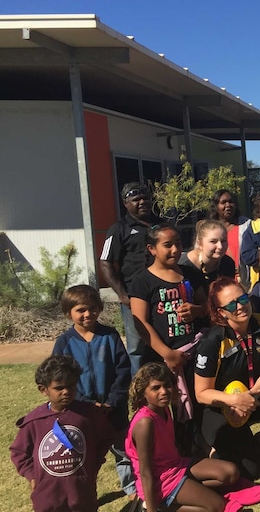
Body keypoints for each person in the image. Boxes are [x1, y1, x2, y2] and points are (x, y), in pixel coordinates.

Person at [195, 278, 260, 476]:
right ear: (220, 312)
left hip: (252, 396)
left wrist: (250, 396)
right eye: (231, 304)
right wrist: (234, 401)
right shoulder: (212, 341)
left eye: (243, 298)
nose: (240, 306)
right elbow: (201, 394)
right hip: (221, 407)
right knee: (250, 471)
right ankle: (207, 445)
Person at [52, 285, 134, 498]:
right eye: (81, 310)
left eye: (92, 308)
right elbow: (60, 378)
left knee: (123, 450)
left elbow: (123, 370)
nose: (87, 314)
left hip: (113, 410)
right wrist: (86, 403)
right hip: (81, 413)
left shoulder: (110, 336)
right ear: (68, 313)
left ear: (99, 308)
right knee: (83, 453)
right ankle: (84, 492)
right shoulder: (64, 343)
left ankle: (131, 487)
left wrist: (113, 400)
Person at [128, 363, 239, 511]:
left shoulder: (164, 409)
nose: (164, 391)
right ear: (143, 392)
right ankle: (156, 506)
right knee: (216, 507)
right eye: (156, 388)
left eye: (167, 386)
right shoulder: (145, 423)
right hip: (160, 480)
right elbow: (146, 472)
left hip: (176, 465)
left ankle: (182, 495)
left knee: (231, 473)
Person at [11, 355, 114, 512]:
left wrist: (94, 463)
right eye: (59, 388)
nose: (66, 392)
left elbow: (105, 437)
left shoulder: (88, 415)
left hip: (81, 494)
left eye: (71, 386)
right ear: (43, 390)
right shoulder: (34, 421)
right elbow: (19, 452)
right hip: (48, 497)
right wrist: (32, 476)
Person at [129, 223, 207, 427]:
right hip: (160, 358)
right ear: (152, 249)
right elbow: (141, 322)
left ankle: (193, 445)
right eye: (168, 245)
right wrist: (167, 353)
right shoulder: (142, 281)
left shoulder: (190, 274)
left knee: (194, 406)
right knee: (163, 408)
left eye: (179, 243)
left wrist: (197, 310)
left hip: (192, 355)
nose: (175, 250)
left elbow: (208, 305)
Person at [100, 181, 161, 376]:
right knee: (137, 348)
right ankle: (139, 391)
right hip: (134, 298)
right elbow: (105, 262)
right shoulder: (118, 229)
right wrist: (122, 295)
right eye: (136, 199)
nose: (142, 202)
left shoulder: (161, 225)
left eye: (145, 198)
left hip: (162, 295)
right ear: (126, 203)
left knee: (164, 341)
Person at [179, 219, 237, 296]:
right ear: (200, 243)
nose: (220, 246)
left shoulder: (227, 263)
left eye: (223, 241)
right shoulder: (183, 266)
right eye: (213, 241)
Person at [208, 189, 249, 285]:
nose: (228, 205)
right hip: (218, 281)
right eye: (223, 202)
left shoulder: (247, 225)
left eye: (231, 202)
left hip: (244, 281)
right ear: (216, 206)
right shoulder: (208, 229)